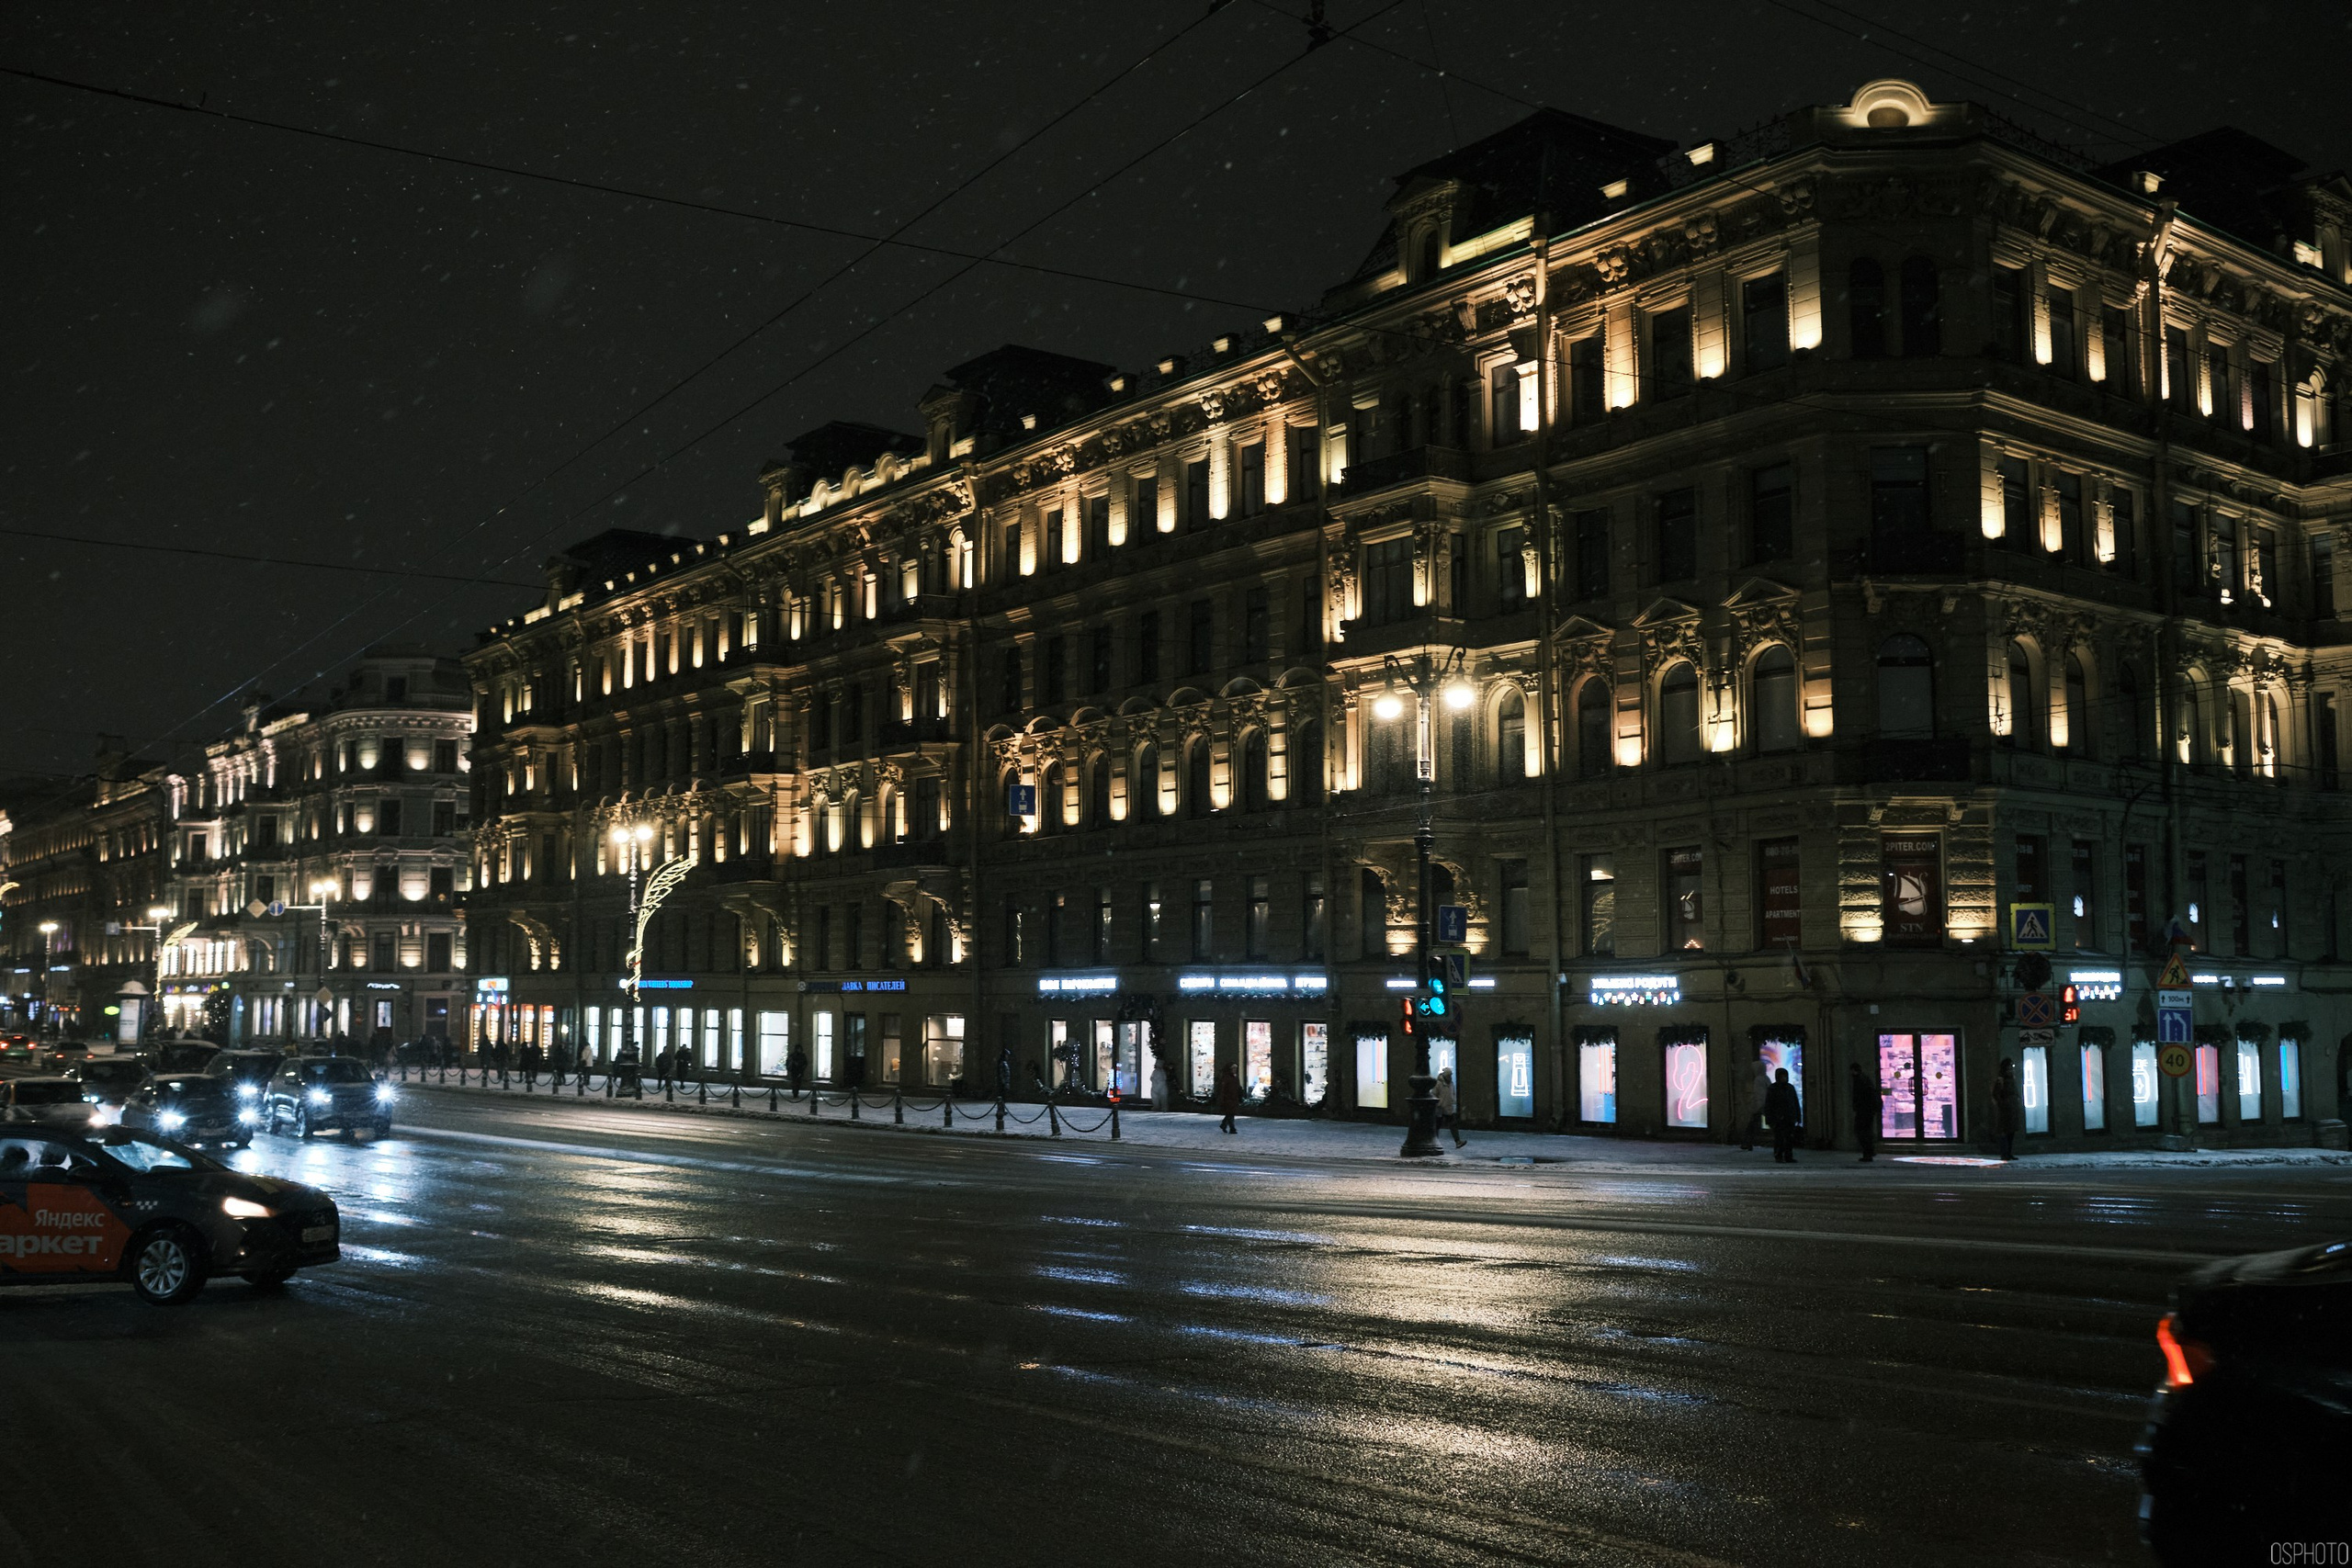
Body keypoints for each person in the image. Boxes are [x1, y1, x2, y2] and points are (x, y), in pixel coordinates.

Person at [1764, 1066, 1803, 1163]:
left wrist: (1798, 1116)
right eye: (1782, 1076)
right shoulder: (1774, 1089)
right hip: (1779, 1118)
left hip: (1788, 1117)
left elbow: (1795, 1103)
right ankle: (1779, 1155)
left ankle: (1787, 1156)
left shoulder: (1789, 1088)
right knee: (1779, 1138)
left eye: (1785, 1076)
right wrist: (1771, 1118)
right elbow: (1769, 1104)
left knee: (1788, 1139)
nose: (1784, 1078)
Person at [1849, 1061, 1883, 1162]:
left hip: (1864, 1111)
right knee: (1866, 1131)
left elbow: (1861, 1097)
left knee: (1862, 1132)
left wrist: (1857, 1107)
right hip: (1867, 1110)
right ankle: (1869, 1152)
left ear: (1854, 1070)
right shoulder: (1865, 1079)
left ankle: (1868, 1152)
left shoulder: (1860, 1080)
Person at [1740, 1054, 1772, 1152]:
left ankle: (1747, 1142)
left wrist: (1757, 1106)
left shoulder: (1758, 1080)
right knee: (1755, 1124)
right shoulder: (1766, 1078)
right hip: (1766, 1105)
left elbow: (1760, 1094)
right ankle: (1747, 1143)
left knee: (1752, 1125)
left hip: (1760, 1106)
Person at [1991, 1057, 2019, 1161]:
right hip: (2006, 1109)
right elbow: (1996, 1094)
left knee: (2011, 1132)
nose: (2011, 1070)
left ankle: (2009, 1153)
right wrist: (2002, 1103)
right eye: (2009, 1068)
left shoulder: (2012, 1079)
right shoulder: (2001, 1080)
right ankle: (2005, 1153)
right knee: (2005, 1132)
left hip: (2012, 1108)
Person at [1435, 1066, 1465, 1149]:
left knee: (1451, 1125)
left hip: (1448, 1108)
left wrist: (1453, 1103)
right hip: (1440, 1108)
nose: (1450, 1077)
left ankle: (1457, 1141)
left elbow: (1453, 1094)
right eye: (1449, 1075)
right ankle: (1435, 1142)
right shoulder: (1439, 1084)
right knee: (1438, 1126)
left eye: (1451, 1075)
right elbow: (1434, 1095)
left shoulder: (1451, 1084)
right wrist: (1438, 1104)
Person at [1214, 1062, 1241, 1134]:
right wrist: (1222, 1098)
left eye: (1236, 1068)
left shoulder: (1234, 1077)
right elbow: (1222, 1089)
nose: (1235, 1070)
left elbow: (1238, 1087)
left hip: (1233, 1098)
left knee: (1230, 1113)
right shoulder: (1226, 1078)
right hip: (1228, 1098)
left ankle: (1224, 1124)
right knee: (1231, 1113)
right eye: (1233, 1068)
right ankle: (1232, 1128)